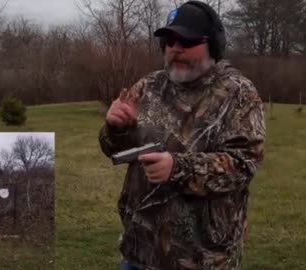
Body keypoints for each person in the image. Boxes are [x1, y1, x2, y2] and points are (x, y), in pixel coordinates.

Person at [98, 1, 266, 269]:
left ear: (213, 44)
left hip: (202, 259)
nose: (176, 47)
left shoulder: (237, 93)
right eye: (169, 40)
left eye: (186, 40)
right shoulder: (149, 86)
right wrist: (118, 128)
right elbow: (114, 149)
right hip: (139, 252)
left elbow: (244, 164)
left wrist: (178, 168)